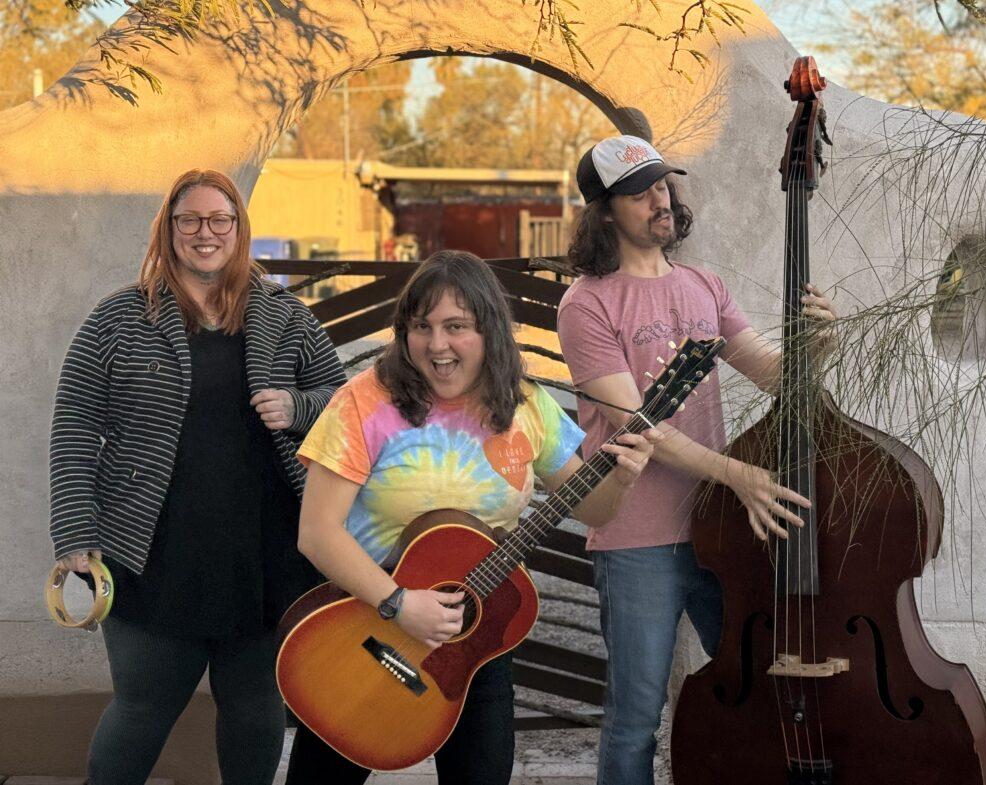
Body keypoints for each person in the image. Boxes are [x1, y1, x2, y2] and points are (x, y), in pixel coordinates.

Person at [285, 249, 660, 785]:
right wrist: (399, 603)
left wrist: (621, 479)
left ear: (489, 330)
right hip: (365, 637)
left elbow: (589, 506)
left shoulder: (526, 404)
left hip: (477, 641)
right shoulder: (364, 403)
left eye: (456, 326)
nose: (437, 345)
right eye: (422, 326)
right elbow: (317, 533)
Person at [556, 135, 838, 785]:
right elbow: (639, 425)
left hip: (718, 531)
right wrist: (739, 474)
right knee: (637, 716)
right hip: (637, 539)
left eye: (662, 185)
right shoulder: (586, 304)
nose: (660, 199)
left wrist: (817, 343)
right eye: (639, 192)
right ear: (604, 212)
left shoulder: (703, 285)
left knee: (755, 687)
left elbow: (774, 375)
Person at [48, 169, 346, 785]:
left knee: (255, 707)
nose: (204, 233)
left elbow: (345, 408)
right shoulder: (119, 318)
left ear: (239, 229)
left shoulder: (285, 316)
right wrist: (75, 530)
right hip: (151, 553)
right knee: (142, 706)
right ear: (168, 229)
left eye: (219, 220)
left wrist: (298, 407)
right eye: (189, 220)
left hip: (266, 555)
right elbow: (74, 423)